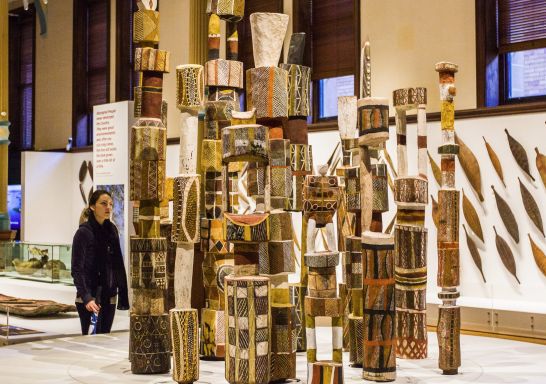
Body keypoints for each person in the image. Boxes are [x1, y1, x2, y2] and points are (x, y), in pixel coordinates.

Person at [71, 190, 129, 335]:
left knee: (105, 338)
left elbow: (117, 263)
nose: (108, 207)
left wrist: (121, 291)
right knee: (90, 339)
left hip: (109, 295)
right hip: (89, 296)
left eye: (110, 204)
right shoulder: (83, 233)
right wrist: (86, 297)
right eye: (103, 204)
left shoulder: (112, 230)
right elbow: (77, 269)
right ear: (92, 206)